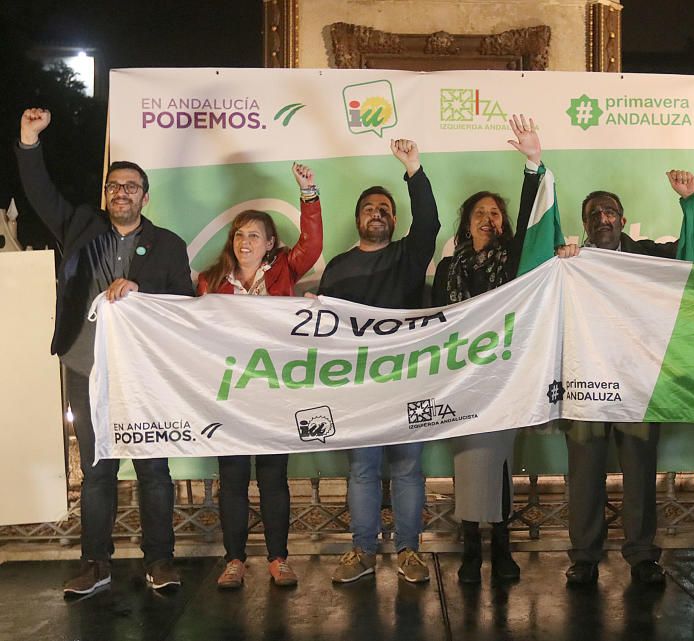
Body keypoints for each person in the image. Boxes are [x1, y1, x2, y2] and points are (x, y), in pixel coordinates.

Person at [15, 107, 194, 595]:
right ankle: (95, 563)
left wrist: (141, 291)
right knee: (96, 470)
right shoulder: (78, 227)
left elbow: (185, 306)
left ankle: (160, 561)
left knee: (155, 470)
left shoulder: (168, 246)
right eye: (115, 186)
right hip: (86, 366)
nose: (122, 192)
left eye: (131, 186)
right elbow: (38, 193)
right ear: (106, 194)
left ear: (144, 196)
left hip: (145, 376)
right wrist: (30, 141)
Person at [560, 169, 694, 586]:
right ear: (586, 223)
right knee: (584, 475)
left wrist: (693, 201)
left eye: (610, 212)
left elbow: (693, 261)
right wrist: (559, 259)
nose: (603, 219)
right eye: (594, 214)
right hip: (585, 387)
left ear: (623, 221)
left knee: (640, 473)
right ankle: (584, 558)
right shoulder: (570, 263)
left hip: (637, 386)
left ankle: (643, 556)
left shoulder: (648, 257)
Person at [318, 139, 440, 584]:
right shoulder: (338, 267)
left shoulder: (408, 256)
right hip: (357, 388)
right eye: (370, 207)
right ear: (358, 218)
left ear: (394, 218)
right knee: (363, 470)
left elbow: (428, 223)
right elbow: (325, 332)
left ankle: (409, 550)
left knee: (408, 469)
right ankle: (362, 552)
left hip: (407, 382)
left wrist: (414, 169)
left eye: (385, 207)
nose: (378, 212)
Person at [198, 162, 323, 589]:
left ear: (270, 243)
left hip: (274, 395)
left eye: (254, 235)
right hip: (230, 395)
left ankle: (278, 559)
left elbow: (312, 244)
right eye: (239, 234)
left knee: (273, 479)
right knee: (232, 479)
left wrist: (309, 194)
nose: (245, 241)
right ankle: (234, 561)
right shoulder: (210, 281)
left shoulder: (286, 270)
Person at [431, 115, 542, 584]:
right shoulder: (447, 270)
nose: (488, 220)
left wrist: (533, 166)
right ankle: (470, 549)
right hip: (459, 376)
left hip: (503, 375)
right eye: (480, 214)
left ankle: (502, 548)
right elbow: (433, 323)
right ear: (467, 223)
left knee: (497, 464)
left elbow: (536, 211)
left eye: (496, 213)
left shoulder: (514, 260)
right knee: (467, 462)